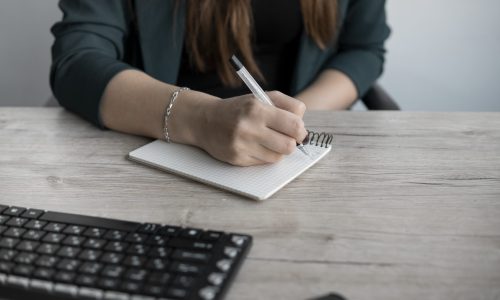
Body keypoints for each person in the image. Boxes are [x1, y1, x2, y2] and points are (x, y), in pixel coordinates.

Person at [50, 0, 390, 166]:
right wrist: (202, 119)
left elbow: (363, 49)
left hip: (287, 160)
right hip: (158, 150)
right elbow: (77, 60)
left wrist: (291, 120)